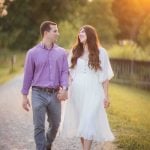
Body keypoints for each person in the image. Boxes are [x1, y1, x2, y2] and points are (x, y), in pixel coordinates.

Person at [61, 25, 115, 150]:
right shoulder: (75, 51)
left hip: (94, 91)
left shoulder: (101, 52)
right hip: (77, 92)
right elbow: (69, 73)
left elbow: (105, 77)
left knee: (88, 120)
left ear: (90, 35)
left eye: (83, 32)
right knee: (81, 123)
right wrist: (66, 89)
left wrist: (106, 96)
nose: (80, 34)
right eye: (79, 32)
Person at [21, 20, 68, 150]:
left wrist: (64, 88)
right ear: (46, 33)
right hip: (38, 93)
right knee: (39, 126)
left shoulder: (61, 52)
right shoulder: (32, 53)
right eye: (55, 31)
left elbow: (64, 72)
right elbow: (28, 76)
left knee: (56, 124)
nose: (58, 33)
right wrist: (24, 97)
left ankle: (47, 143)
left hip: (55, 94)